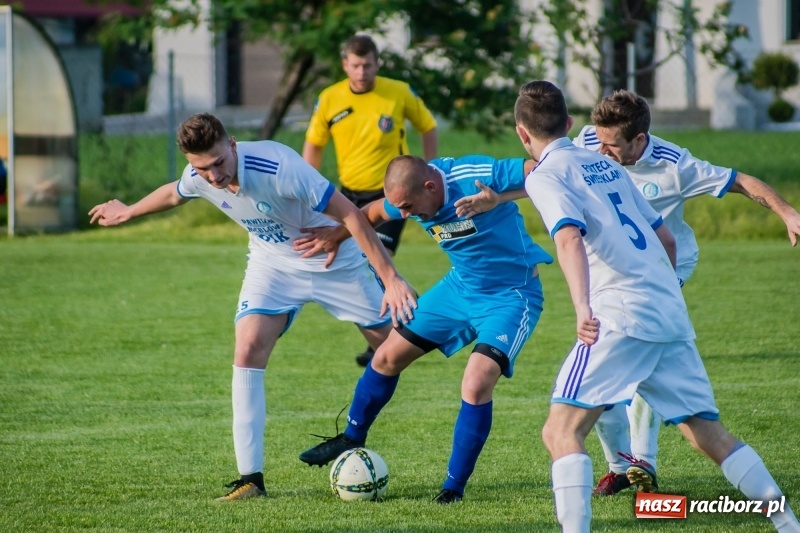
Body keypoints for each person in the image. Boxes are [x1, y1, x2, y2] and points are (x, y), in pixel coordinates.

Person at [455, 89, 800, 496]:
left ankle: (640, 462)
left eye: (611, 145)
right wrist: (501, 196)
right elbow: (552, 178)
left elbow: (737, 182)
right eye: (596, 140)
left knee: (571, 417)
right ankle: (632, 468)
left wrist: (787, 211)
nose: (601, 150)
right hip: (643, 295)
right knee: (692, 423)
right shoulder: (590, 146)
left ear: (639, 141)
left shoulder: (676, 165)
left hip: (652, 280)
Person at [88, 113, 417, 502]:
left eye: (218, 164)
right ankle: (251, 480)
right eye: (201, 168)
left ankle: (358, 430)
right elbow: (175, 192)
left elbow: (350, 213)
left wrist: (391, 276)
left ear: (233, 145)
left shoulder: (280, 166)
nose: (213, 177)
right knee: (246, 349)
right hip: (273, 266)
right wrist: (129, 210)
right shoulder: (200, 175)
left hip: (334, 262)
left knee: (396, 350)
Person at [295, 153, 553, 503]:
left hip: (511, 296)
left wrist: (500, 197)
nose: (403, 215)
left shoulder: (474, 175)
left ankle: (453, 487)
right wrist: (337, 236)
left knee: (476, 382)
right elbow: (369, 214)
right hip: (459, 289)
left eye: (408, 206)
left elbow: (544, 169)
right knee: (385, 356)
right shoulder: (409, 192)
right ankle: (352, 436)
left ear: (430, 187)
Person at [302, 34, 438, 367]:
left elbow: (428, 126)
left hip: (390, 195)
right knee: (353, 262)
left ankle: (390, 336)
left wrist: (430, 171)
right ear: (345, 65)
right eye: (355, 65)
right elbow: (314, 143)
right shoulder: (330, 98)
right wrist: (307, 185)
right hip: (348, 194)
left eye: (367, 65)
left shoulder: (398, 92)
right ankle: (402, 317)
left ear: (377, 63)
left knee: (376, 258)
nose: (362, 71)